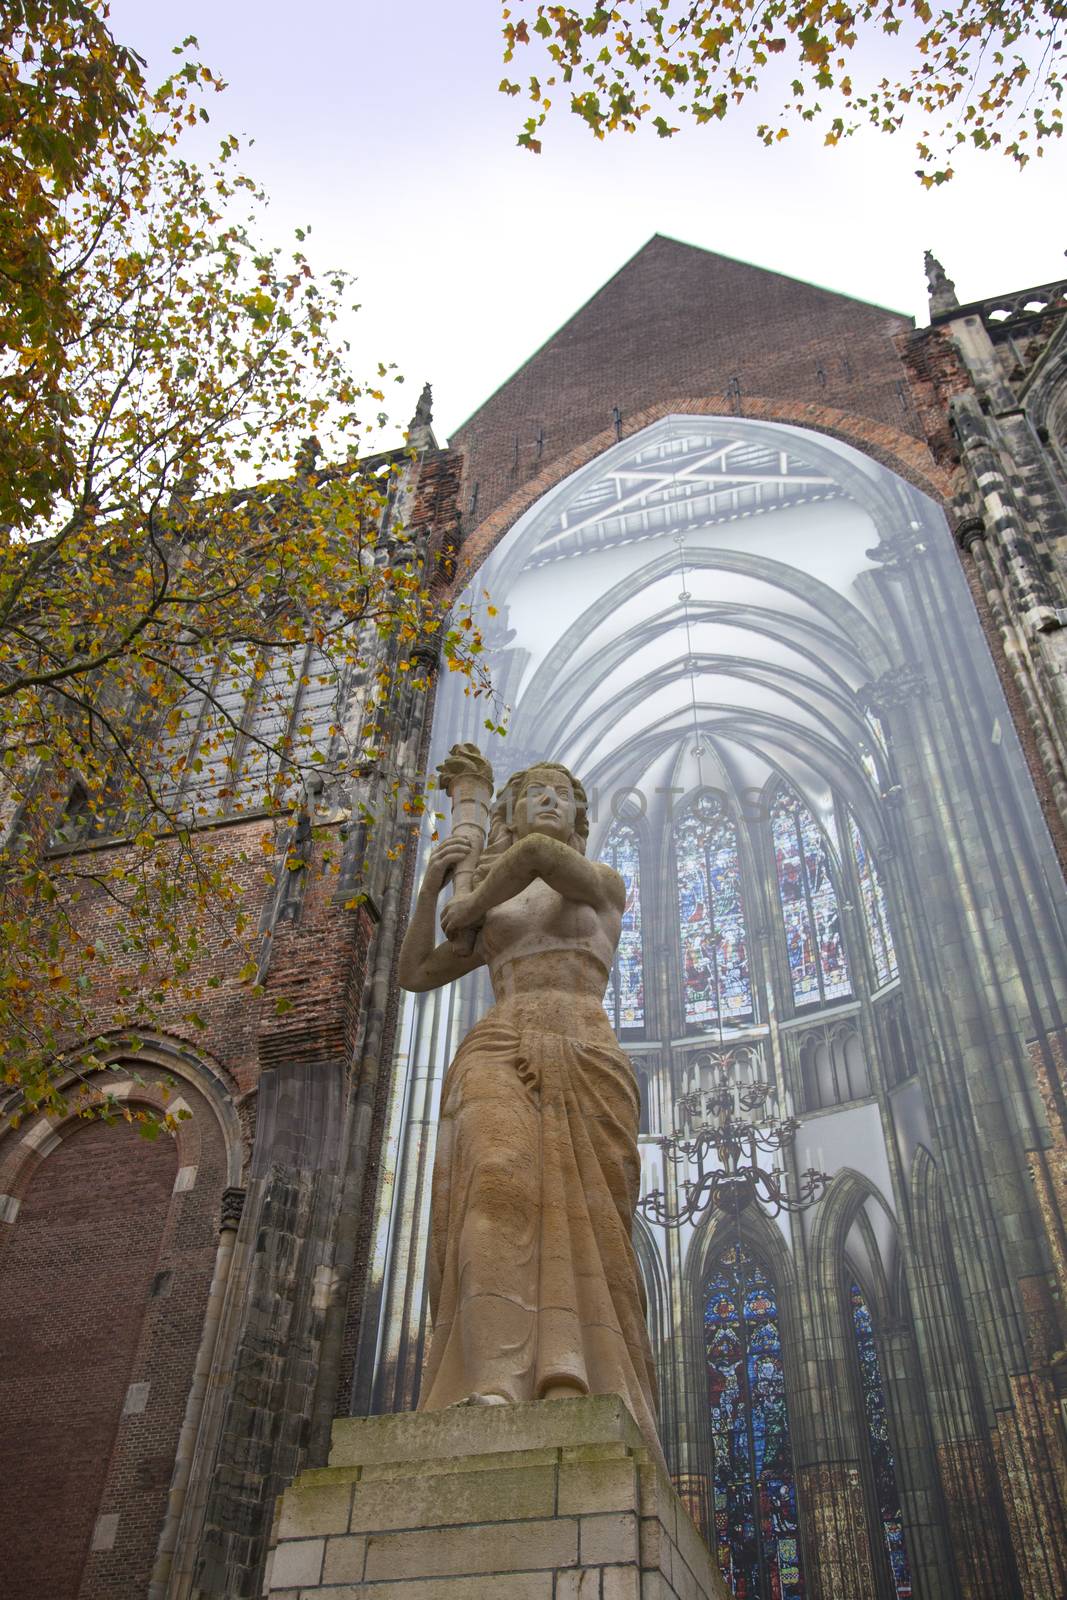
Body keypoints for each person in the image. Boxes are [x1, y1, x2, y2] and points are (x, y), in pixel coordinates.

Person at [398, 761, 663, 1464]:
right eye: (532, 794)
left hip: (583, 1042)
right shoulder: (492, 904)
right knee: (493, 1182)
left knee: (590, 1220)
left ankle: (571, 1377)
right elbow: (415, 972)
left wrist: (473, 891)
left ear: (578, 816)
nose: (548, 801)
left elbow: (538, 857)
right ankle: (491, 1385)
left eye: (562, 795)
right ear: (510, 812)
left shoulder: (597, 880)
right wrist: (434, 885)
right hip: (499, 1036)